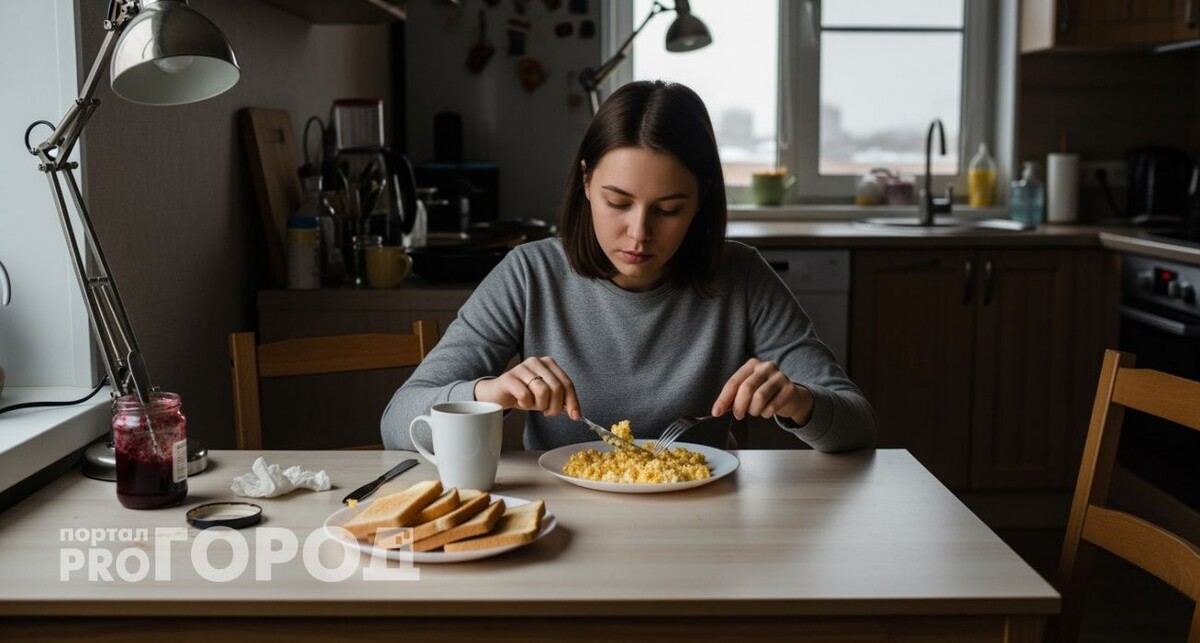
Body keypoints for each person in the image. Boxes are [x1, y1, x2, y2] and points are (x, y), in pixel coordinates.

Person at [382, 81, 875, 452]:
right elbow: (396, 420)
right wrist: (488, 392)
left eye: (668, 210)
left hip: (704, 524)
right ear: (586, 183)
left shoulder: (741, 275)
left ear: (700, 201)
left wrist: (798, 402)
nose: (639, 234)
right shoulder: (529, 274)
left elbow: (858, 426)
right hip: (561, 521)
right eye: (618, 202)